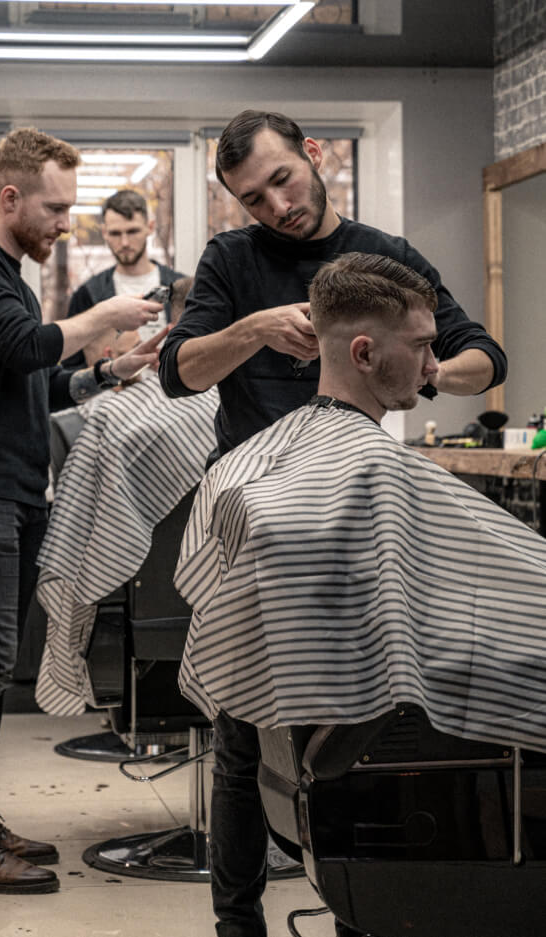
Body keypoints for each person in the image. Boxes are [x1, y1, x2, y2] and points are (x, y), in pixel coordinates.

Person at [158, 110, 508, 937]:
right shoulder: (232, 261)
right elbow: (178, 372)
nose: (276, 206)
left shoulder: (384, 259)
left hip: (351, 522)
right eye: (253, 198)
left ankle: (360, 906)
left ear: (313, 154)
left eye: (282, 179)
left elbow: (485, 357)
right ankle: (237, 923)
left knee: (357, 730)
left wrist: (416, 366)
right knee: (242, 741)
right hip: (259, 523)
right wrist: (252, 329)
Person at [0, 126, 167, 896]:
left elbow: (40, 381)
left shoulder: (13, 280)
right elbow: (29, 347)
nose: (66, 224)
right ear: (10, 197)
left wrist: (111, 371)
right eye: (56, 209)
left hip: (18, 488)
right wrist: (107, 315)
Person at [63, 188, 185, 367]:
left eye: (132, 231)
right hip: (112, 386)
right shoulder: (88, 294)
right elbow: (71, 369)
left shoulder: (182, 290)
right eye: (115, 233)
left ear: (150, 227)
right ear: (104, 233)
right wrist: (107, 370)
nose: (125, 242)